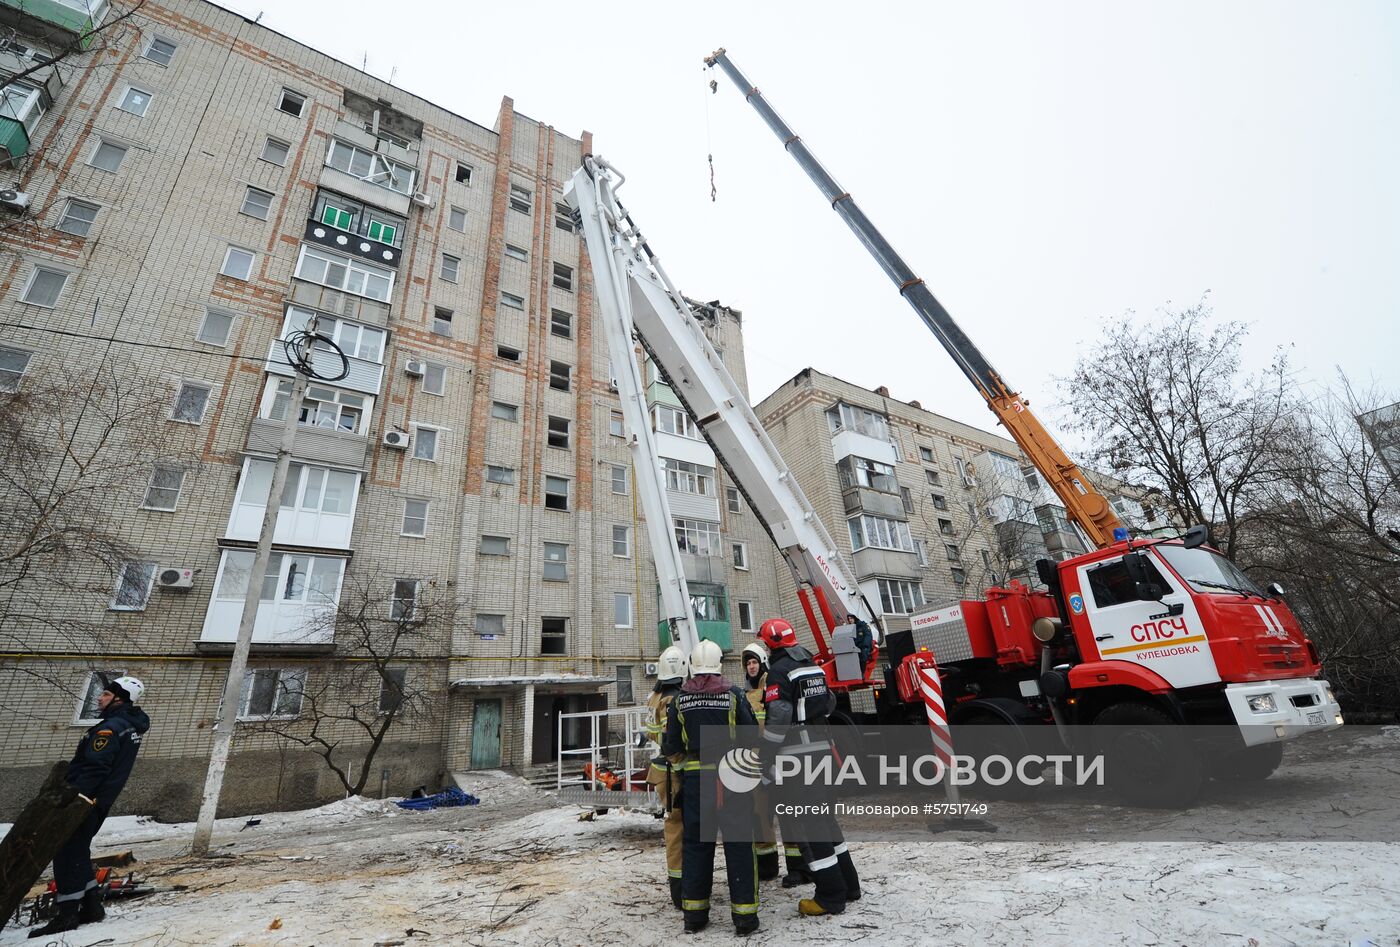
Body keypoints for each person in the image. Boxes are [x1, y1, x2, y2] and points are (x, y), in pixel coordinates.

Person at [30, 675, 150, 938]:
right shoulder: (127, 726)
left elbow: (94, 768)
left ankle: (67, 914)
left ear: (120, 698)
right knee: (78, 851)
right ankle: (92, 906)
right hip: (97, 801)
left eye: (105, 694)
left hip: (84, 802)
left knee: (66, 854)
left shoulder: (112, 727)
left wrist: (74, 800)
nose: (99, 698)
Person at [757, 618, 861, 917]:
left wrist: (765, 755)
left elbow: (779, 717)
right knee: (826, 821)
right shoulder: (812, 664)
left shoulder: (779, 671)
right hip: (823, 750)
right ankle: (849, 886)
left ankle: (830, 896)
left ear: (770, 644)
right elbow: (828, 703)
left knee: (810, 826)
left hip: (798, 758)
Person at [661, 640, 760, 936]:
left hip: (696, 783)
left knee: (696, 846)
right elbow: (751, 736)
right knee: (739, 844)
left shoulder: (680, 700)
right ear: (718, 665)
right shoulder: (734, 695)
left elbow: (671, 747)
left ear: (692, 666)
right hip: (732, 780)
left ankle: (694, 916)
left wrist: (685, 767)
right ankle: (744, 918)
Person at [740, 641, 802, 884]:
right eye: (748, 663)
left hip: (778, 756)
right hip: (756, 761)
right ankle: (767, 866)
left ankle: (798, 866)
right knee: (760, 813)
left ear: (762, 663)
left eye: (754, 662)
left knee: (788, 812)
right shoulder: (744, 695)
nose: (751, 666)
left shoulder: (773, 687)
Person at [643, 645, 688, 908]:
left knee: (674, 826)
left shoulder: (655, 696)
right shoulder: (672, 699)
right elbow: (672, 741)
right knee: (678, 828)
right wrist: (683, 766)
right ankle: (682, 891)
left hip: (661, 770)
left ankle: (680, 888)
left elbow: (653, 733)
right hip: (673, 770)